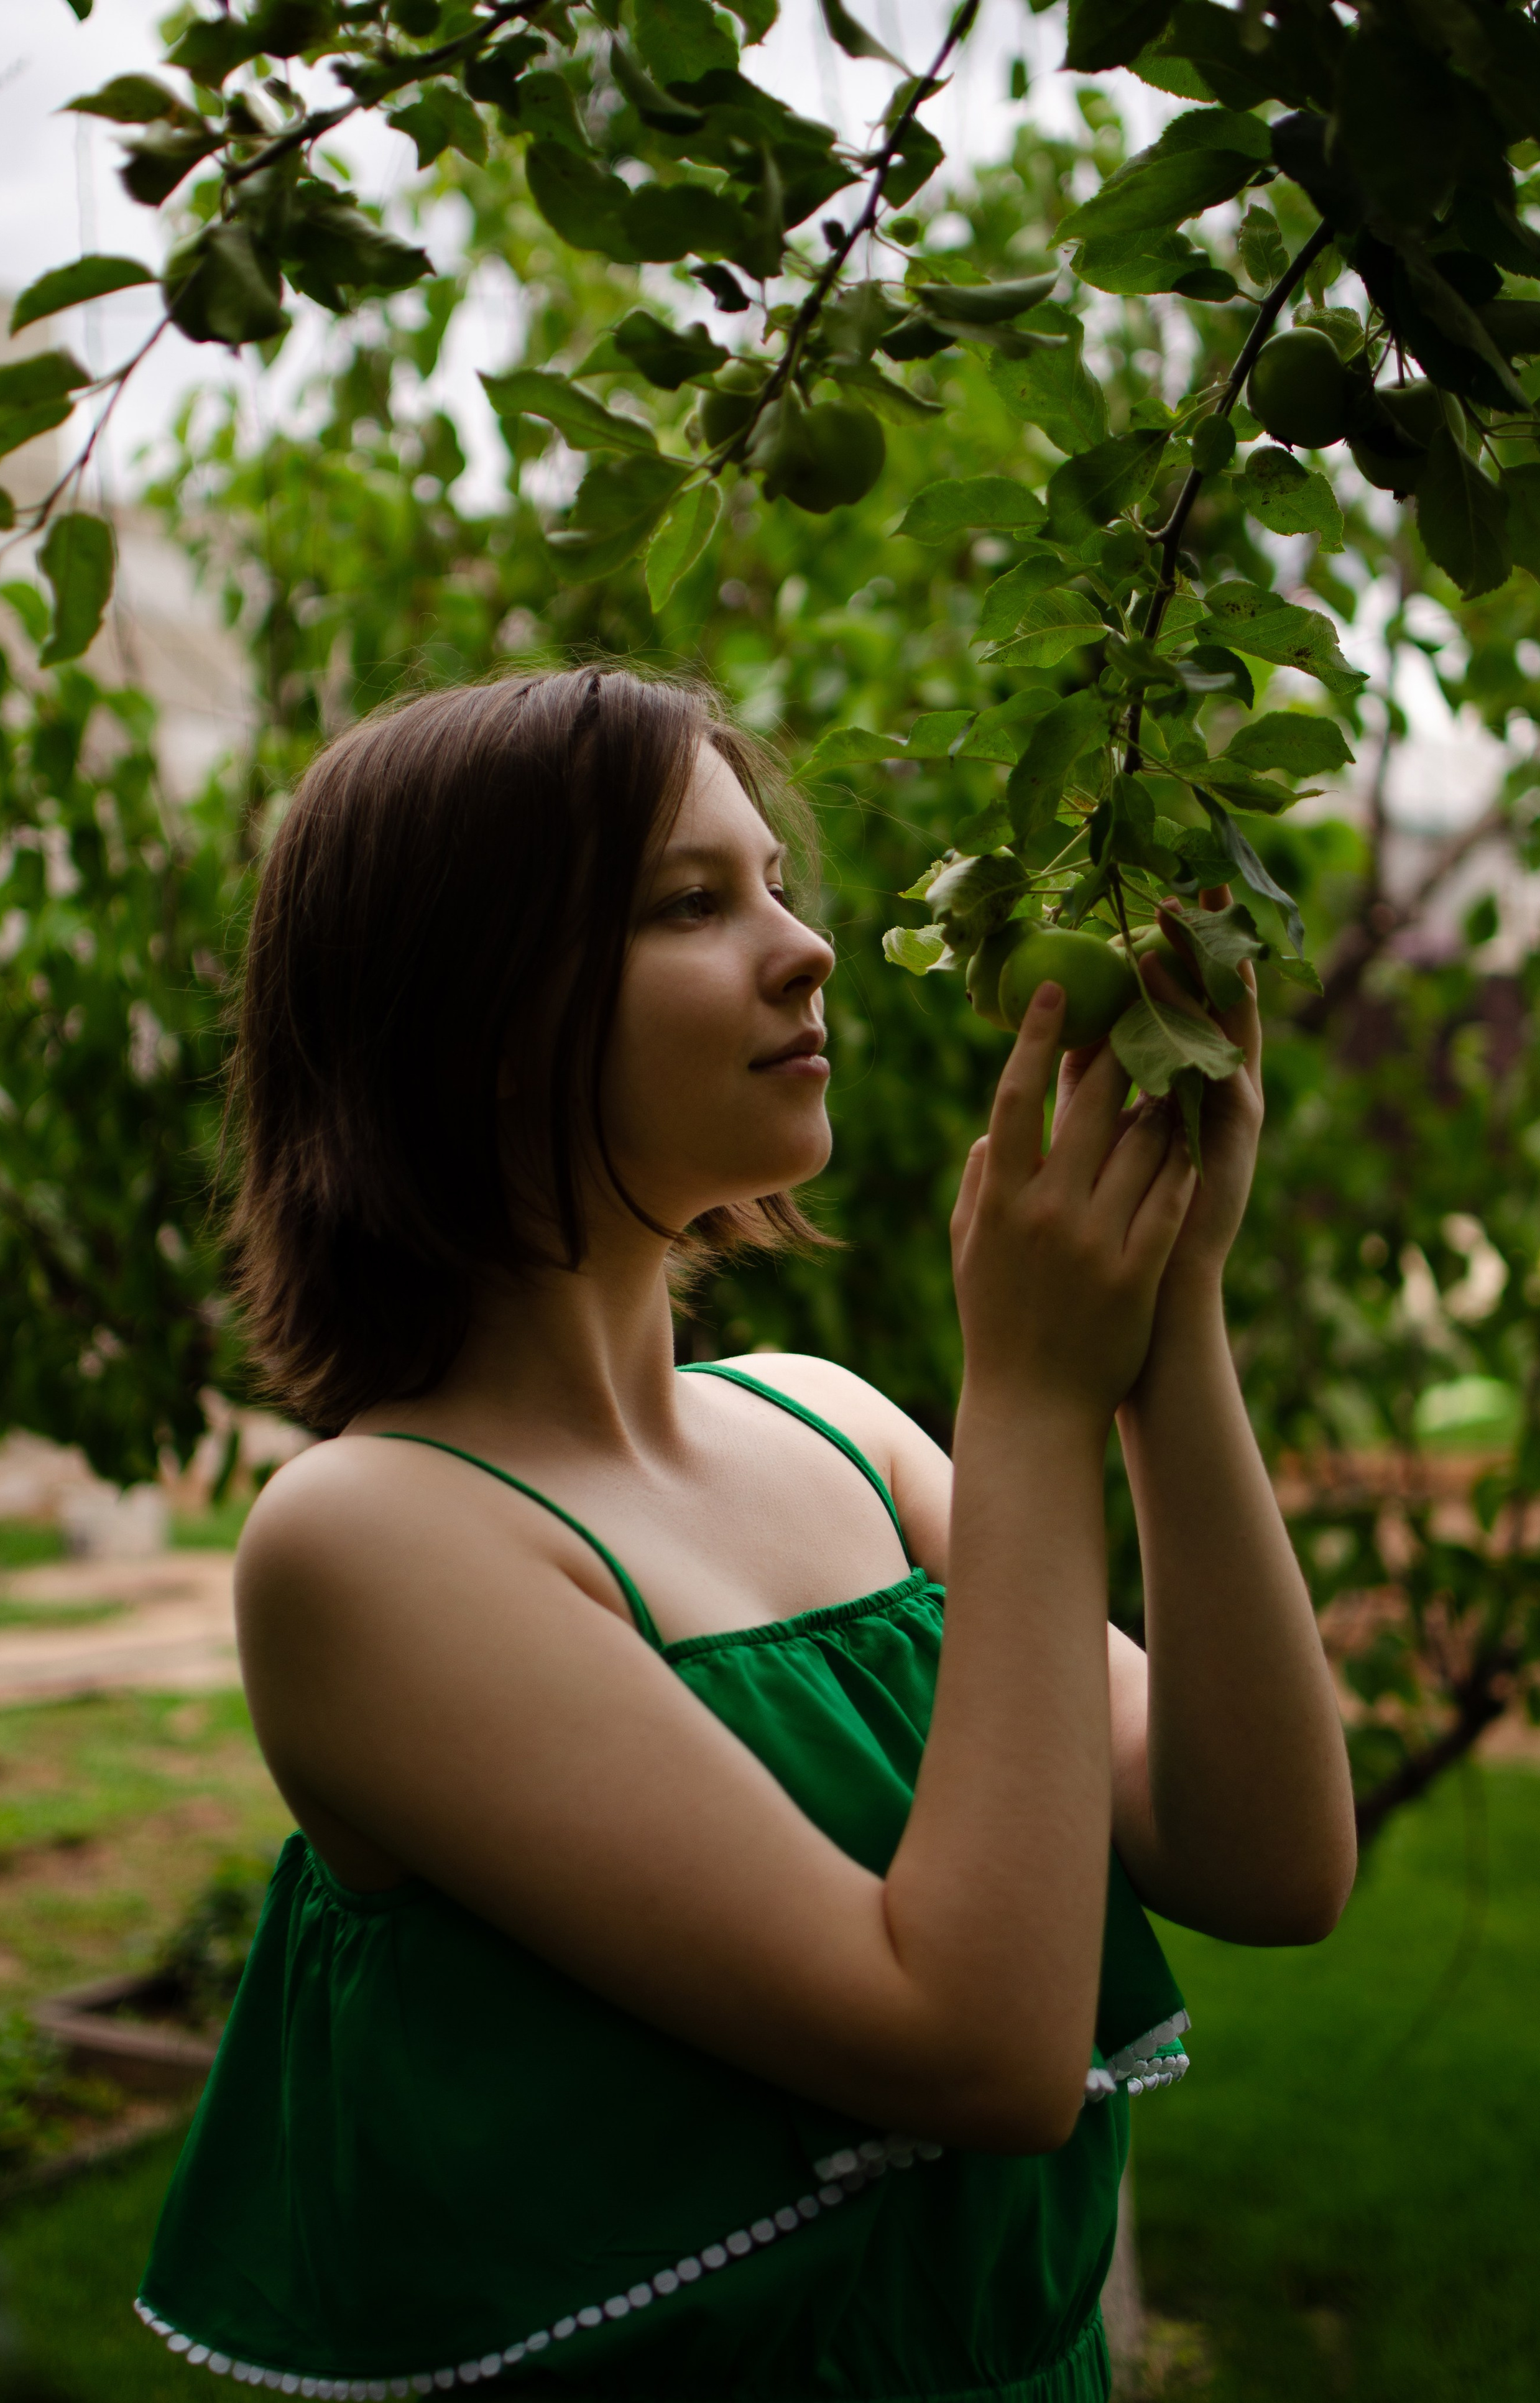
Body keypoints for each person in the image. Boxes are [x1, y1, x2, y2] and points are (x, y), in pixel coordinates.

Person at [137, 667, 1356, 2403]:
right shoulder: (368, 1545)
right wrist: (1020, 1399)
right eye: (691, 902)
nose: (808, 948)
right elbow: (980, 2051)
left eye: (775, 881)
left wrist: (1169, 1329)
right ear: (476, 1017)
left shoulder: (834, 1429)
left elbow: (1270, 1858)